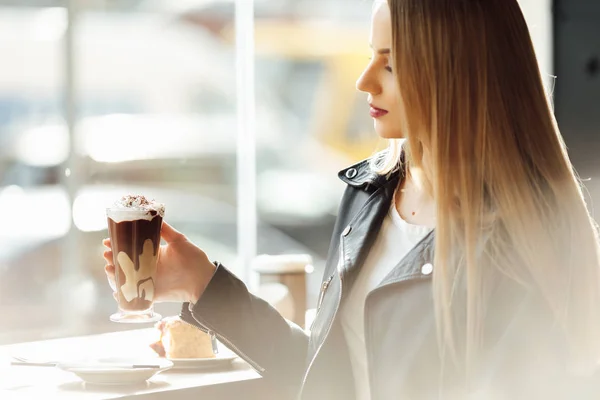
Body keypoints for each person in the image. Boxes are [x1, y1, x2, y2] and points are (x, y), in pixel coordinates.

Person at [103, 0, 600, 398]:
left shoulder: (528, 236)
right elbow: (327, 376)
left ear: (456, 73)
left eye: (391, 63)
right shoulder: (369, 195)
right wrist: (201, 282)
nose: (364, 80)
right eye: (370, 55)